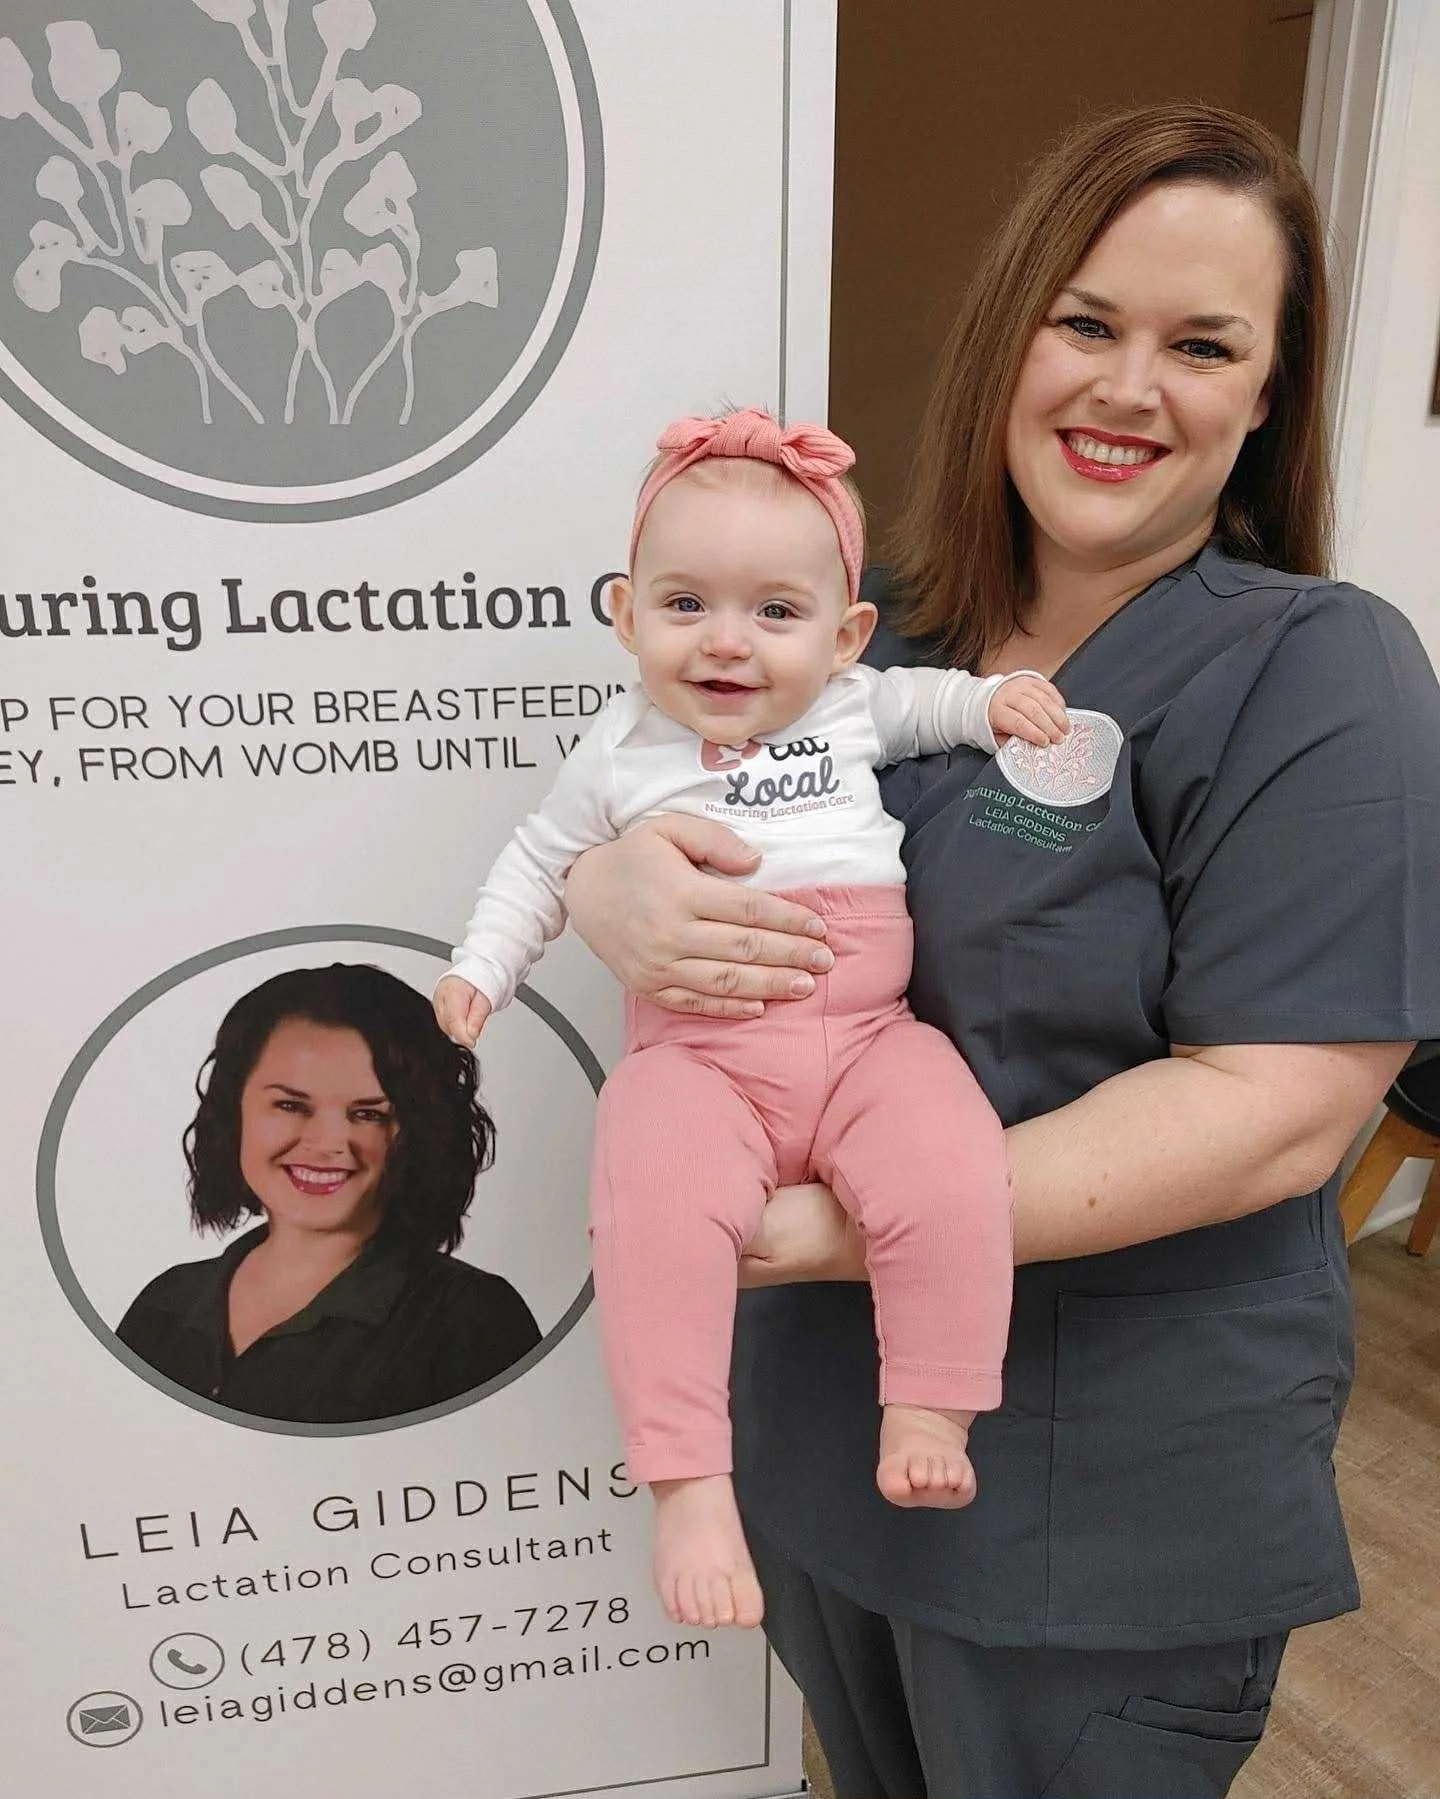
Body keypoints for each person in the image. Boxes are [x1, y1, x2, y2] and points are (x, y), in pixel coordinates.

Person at [561, 104, 1440, 1797]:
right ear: (1007, 336)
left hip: (1090, 1512)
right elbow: (656, 801)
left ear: (1269, 396)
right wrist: (609, 885)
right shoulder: (871, 630)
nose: (1131, 387)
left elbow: (1274, 1111)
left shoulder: (1321, 673)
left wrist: (837, 1228)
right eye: (1086, 321)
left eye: (1204, 345)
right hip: (821, 1447)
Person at [436, 406, 1069, 1629]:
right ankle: (686, 1481)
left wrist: (1000, 703)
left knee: (953, 1164)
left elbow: (935, 704)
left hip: (873, 1038)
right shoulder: (618, 750)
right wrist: (483, 965)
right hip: (703, 1057)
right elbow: (537, 860)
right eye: (687, 604)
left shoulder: (855, 703)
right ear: (626, 614)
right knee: (651, 1195)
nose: (727, 642)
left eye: (776, 612)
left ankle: (932, 1404)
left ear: (845, 635)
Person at [118, 964, 540, 1425]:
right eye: (290, 1105)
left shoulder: (471, 1320)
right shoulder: (164, 1304)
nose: (328, 1144)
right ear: (233, 1112)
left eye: (369, 1114)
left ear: (418, 1131)